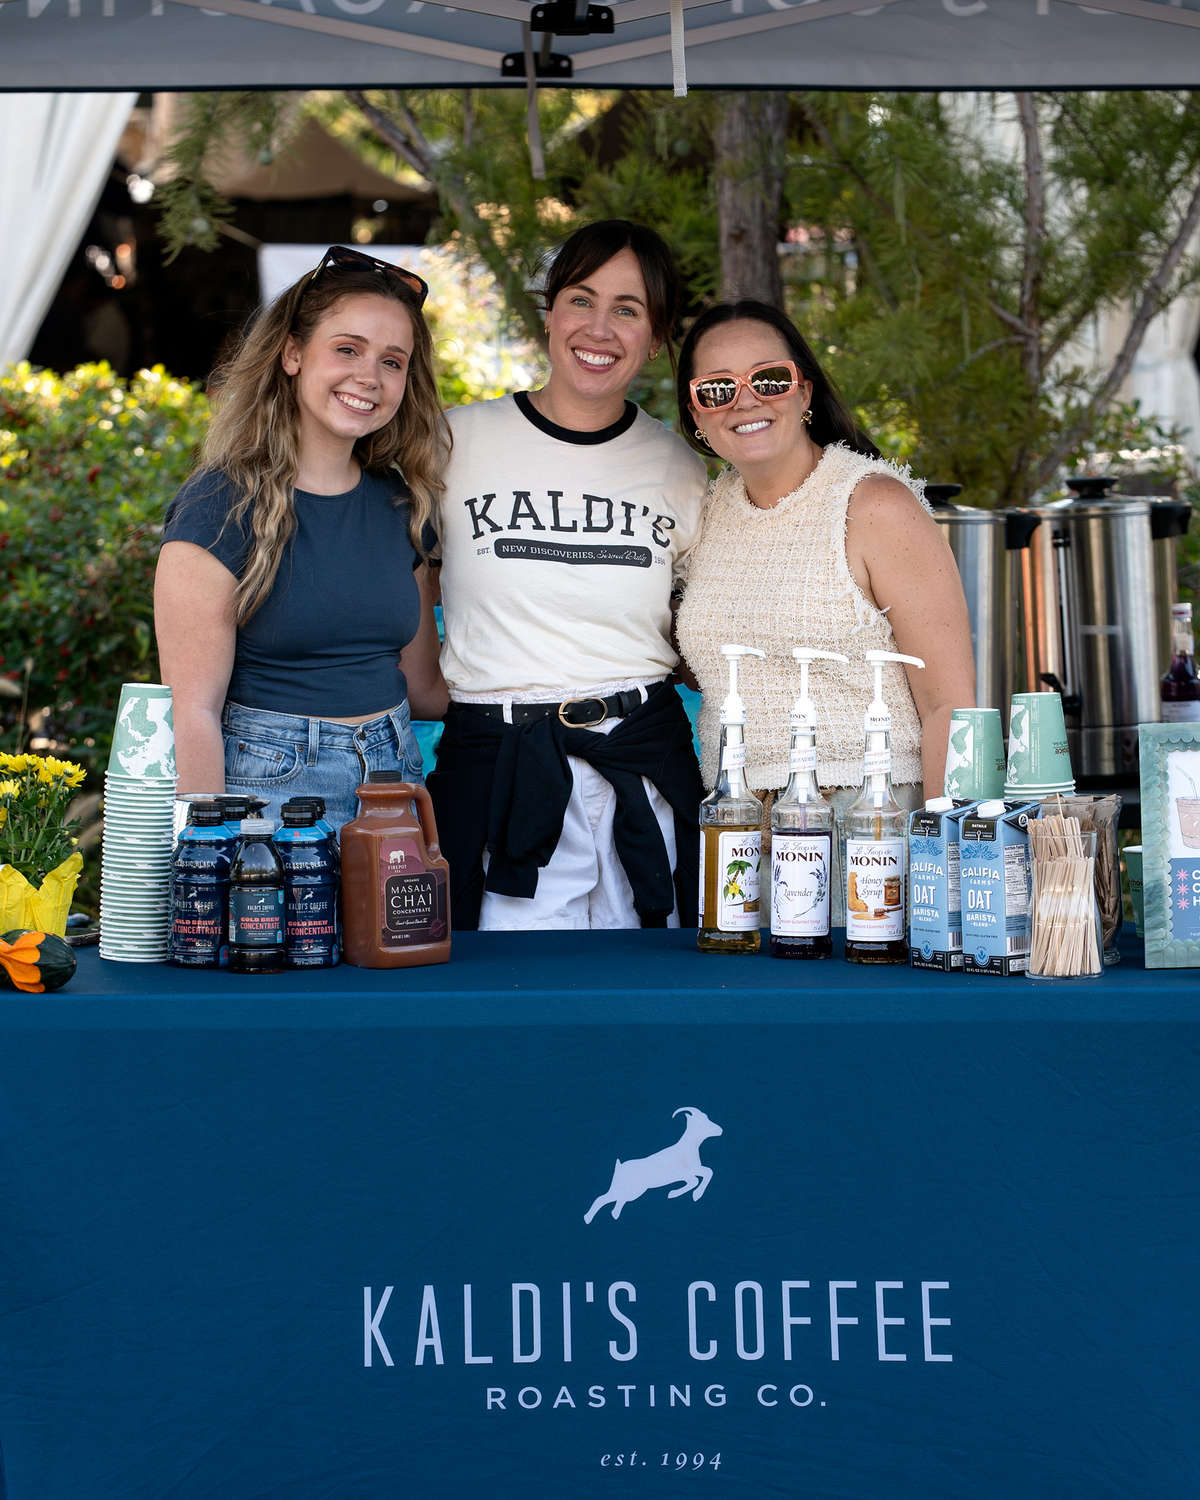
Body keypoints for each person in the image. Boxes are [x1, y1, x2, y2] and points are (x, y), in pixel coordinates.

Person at [427, 219, 709, 931]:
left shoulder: (681, 469)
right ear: (549, 313)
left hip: (641, 771)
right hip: (497, 773)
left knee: (648, 1005)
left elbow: (701, 624)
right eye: (581, 300)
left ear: (656, 336)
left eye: (629, 309)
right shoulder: (454, 443)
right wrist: (422, 685)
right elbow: (398, 575)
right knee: (505, 1012)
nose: (600, 328)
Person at [154, 244, 450, 831]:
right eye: (347, 349)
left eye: (393, 361)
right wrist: (209, 854)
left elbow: (423, 688)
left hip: (395, 789)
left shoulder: (402, 504)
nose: (369, 376)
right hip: (269, 801)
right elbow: (193, 713)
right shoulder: (220, 504)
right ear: (292, 353)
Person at [674, 299, 975, 831]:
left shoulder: (874, 504)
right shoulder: (704, 515)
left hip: (867, 826)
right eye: (717, 389)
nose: (744, 401)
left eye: (769, 379)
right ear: (697, 414)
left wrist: (947, 865)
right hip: (733, 829)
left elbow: (948, 710)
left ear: (805, 390)